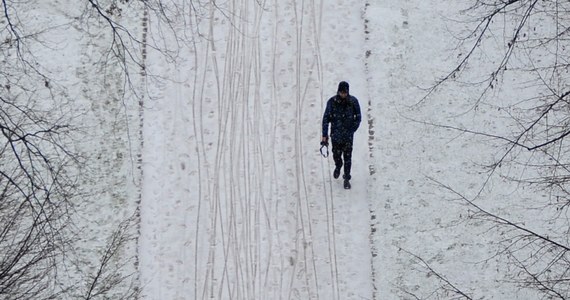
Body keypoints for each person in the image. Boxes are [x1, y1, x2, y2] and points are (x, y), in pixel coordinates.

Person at [321, 81, 361, 189]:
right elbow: (325, 119)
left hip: (348, 136)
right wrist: (324, 136)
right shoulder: (332, 102)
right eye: (341, 92)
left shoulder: (353, 102)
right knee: (336, 155)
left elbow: (358, 118)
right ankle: (338, 165)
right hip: (336, 136)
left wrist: (352, 129)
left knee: (348, 157)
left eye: (345, 92)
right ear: (338, 91)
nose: (343, 94)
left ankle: (347, 178)